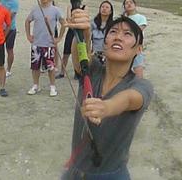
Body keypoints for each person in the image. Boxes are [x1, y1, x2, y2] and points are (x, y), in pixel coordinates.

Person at [62, 10, 153, 180]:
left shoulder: (141, 85)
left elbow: (128, 99)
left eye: (127, 34)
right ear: (104, 43)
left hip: (111, 175)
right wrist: (84, 33)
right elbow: (79, 57)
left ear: (138, 49)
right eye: (113, 32)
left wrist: (106, 107)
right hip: (74, 171)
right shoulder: (93, 70)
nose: (118, 37)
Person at [25, 0, 66, 96]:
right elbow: (27, 21)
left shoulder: (55, 10)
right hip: (36, 43)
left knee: (51, 67)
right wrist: (29, 35)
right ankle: (35, 85)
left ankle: (52, 87)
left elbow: (63, 23)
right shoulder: (35, 9)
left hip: (49, 44)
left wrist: (59, 38)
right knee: (35, 66)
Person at [57, 0, 86, 79]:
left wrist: (74, 22)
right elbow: (69, 19)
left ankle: (77, 72)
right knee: (66, 53)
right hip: (71, 31)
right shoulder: (70, 6)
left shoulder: (85, 7)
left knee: (78, 53)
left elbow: (85, 19)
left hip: (81, 32)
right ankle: (62, 72)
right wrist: (75, 23)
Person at [123, 0, 147, 78]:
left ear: (135, 5)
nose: (129, 4)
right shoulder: (123, 19)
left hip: (136, 47)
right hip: (125, 47)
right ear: (124, 7)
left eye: (131, 2)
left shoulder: (141, 17)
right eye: (126, 3)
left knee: (138, 70)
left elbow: (140, 30)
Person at [0, 0, 19, 78]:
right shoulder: (0, 0)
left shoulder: (14, 2)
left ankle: (9, 69)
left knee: (9, 49)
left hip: (10, 29)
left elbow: (10, 17)